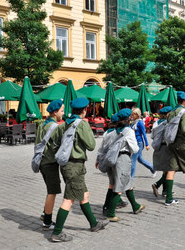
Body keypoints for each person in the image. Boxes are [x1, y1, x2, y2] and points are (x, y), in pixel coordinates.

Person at [49, 98, 108, 242]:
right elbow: (91, 145)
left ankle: (94, 224)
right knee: (69, 199)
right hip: (75, 166)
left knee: (84, 194)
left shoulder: (63, 124)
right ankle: (57, 232)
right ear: (85, 109)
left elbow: (55, 142)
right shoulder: (82, 124)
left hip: (66, 165)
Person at [99, 109, 144, 222]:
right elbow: (135, 148)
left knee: (126, 183)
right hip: (123, 159)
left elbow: (104, 147)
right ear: (129, 118)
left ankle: (135, 206)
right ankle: (111, 213)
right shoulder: (128, 131)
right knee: (119, 188)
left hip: (113, 159)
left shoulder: (113, 131)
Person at [36, 100, 64, 231]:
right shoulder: (54, 127)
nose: (63, 113)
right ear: (55, 112)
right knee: (52, 192)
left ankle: (44, 213)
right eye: (62, 111)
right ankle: (47, 221)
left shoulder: (43, 124)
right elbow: (58, 145)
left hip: (42, 161)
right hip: (49, 162)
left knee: (50, 190)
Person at [151, 106, 173, 197]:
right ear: (168, 114)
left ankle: (165, 190)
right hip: (167, 147)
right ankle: (157, 184)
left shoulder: (156, 123)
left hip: (158, 148)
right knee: (170, 170)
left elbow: (152, 136)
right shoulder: (168, 123)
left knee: (165, 170)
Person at [129, 108, 156, 178]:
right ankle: (153, 168)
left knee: (133, 160)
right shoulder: (134, 122)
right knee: (140, 159)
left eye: (133, 114)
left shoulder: (140, 122)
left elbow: (144, 134)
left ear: (137, 115)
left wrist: (147, 144)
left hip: (139, 143)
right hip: (134, 143)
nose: (132, 115)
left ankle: (131, 178)